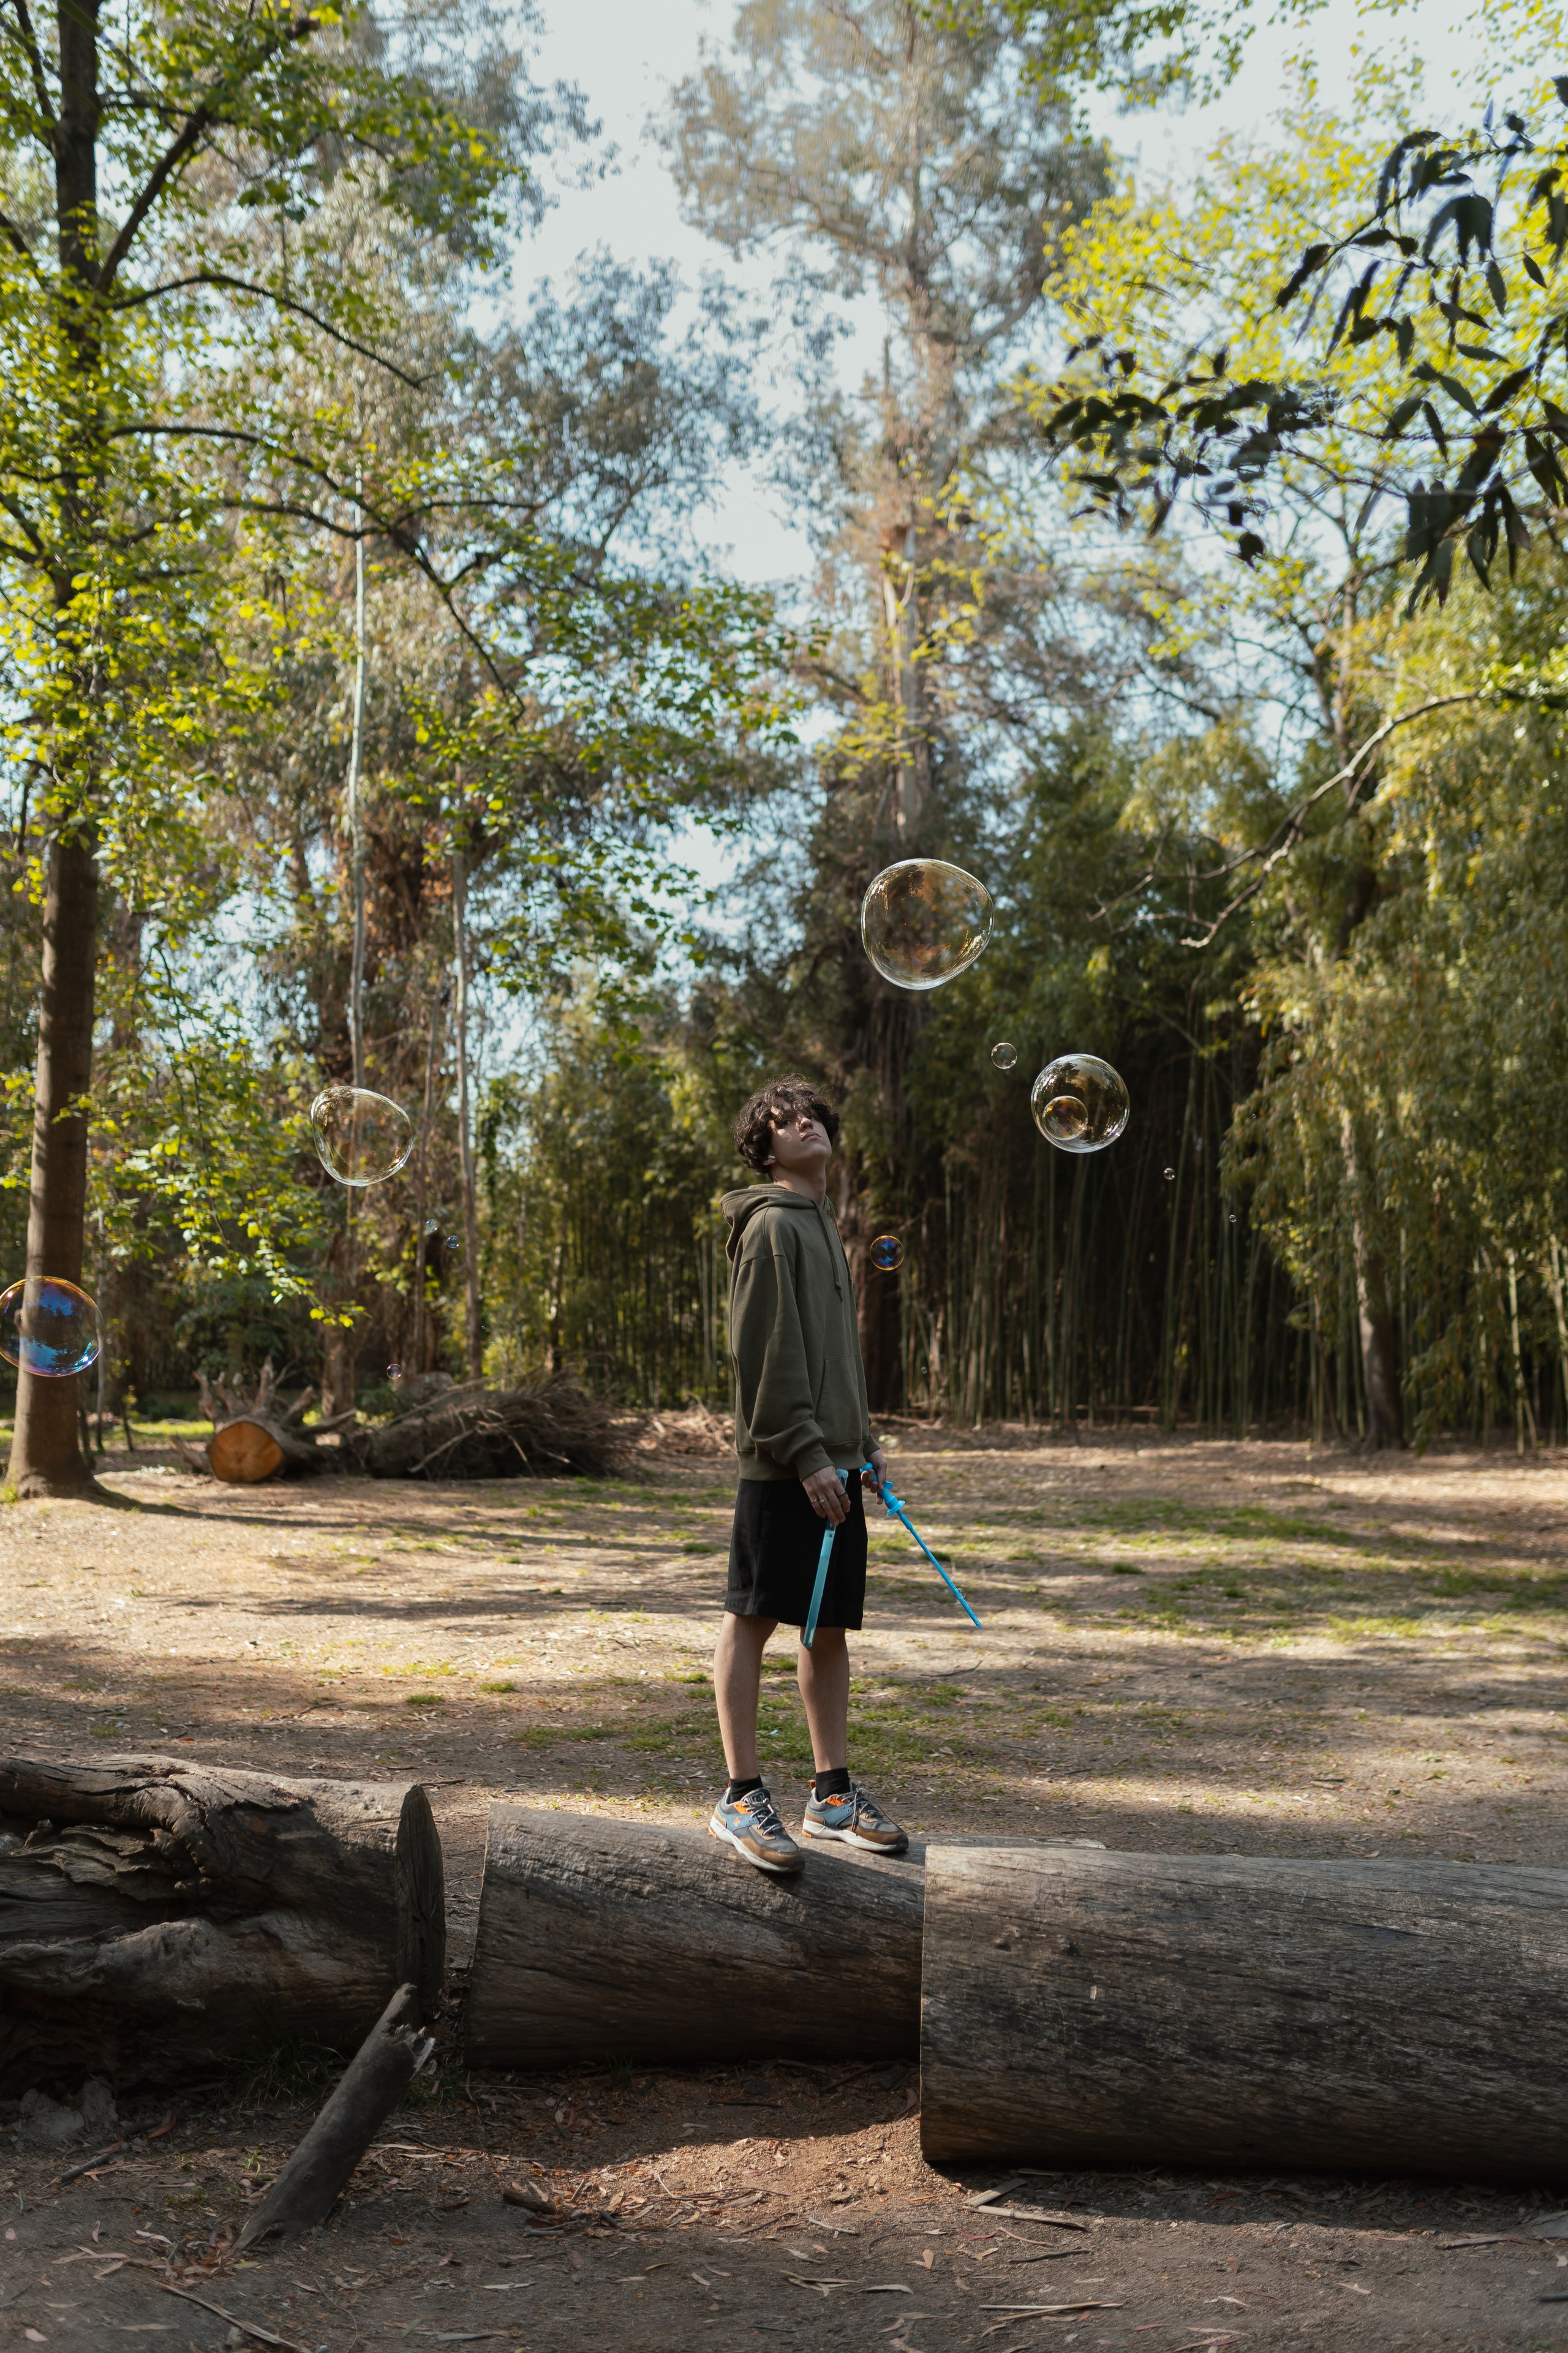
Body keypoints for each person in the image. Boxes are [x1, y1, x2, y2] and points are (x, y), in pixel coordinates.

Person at [708, 1077, 908, 1875]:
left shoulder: (824, 1225)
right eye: (785, 1120)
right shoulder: (769, 1229)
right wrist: (804, 1450)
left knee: (828, 1628)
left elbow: (835, 1355)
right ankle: (740, 1792)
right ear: (765, 1148)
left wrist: (861, 1441)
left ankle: (831, 1792)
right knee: (753, 1618)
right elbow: (766, 1352)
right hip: (784, 1465)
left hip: (832, 1463)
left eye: (815, 1114)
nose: (806, 1123)